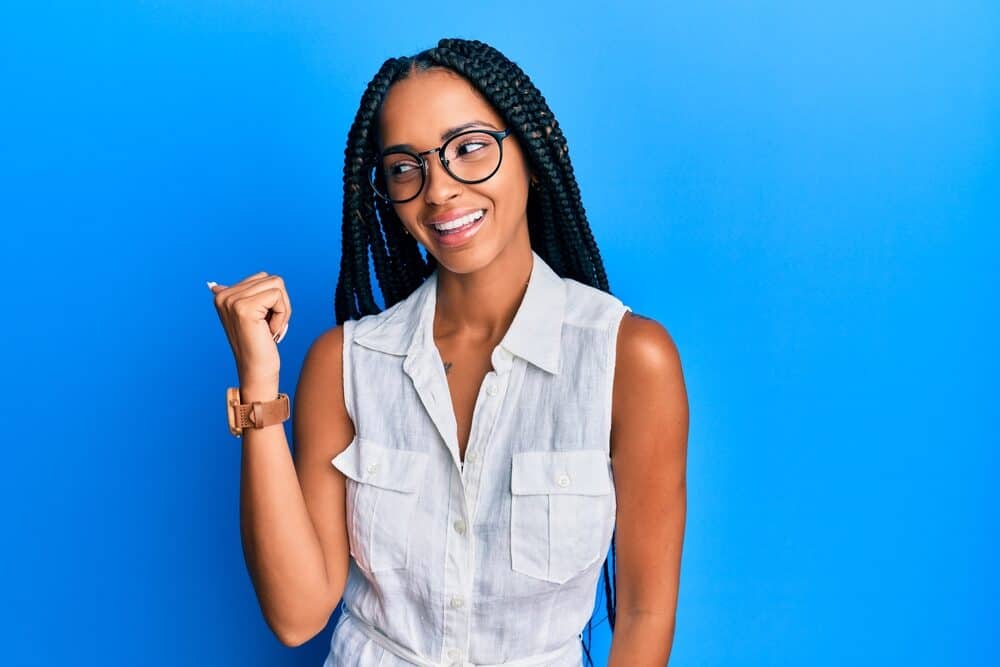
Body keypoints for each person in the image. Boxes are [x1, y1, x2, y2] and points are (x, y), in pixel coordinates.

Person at [209, 37, 688, 666]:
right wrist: (258, 384)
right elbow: (297, 616)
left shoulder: (627, 358)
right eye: (407, 167)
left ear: (532, 155)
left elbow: (646, 615)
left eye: (468, 149)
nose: (439, 191)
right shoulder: (345, 363)